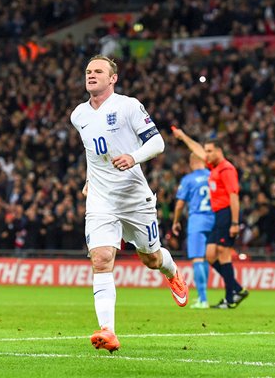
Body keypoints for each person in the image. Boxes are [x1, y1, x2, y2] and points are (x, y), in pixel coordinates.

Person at [71, 55, 188, 353]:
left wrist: (133, 157)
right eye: (88, 71)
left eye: (98, 71)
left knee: (150, 259)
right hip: (101, 199)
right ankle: (108, 330)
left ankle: (172, 272)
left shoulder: (128, 106)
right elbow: (92, 154)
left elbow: (157, 142)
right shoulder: (79, 115)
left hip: (134, 197)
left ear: (113, 78)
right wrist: (88, 179)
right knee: (100, 259)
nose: (91, 75)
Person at [172, 128, 249, 309]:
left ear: (219, 151)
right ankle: (237, 289)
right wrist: (183, 137)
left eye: (209, 151)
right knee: (210, 255)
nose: (205, 154)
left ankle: (230, 298)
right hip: (216, 215)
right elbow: (197, 149)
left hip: (226, 214)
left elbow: (234, 196)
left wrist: (235, 223)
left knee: (222, 254)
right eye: (205, 151)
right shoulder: (214, 168)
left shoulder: (226, 169)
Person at [172, 153, 214, 309]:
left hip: (197, 220)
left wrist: (176, 221)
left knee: (197, 259)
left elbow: (180, 204)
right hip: (213, 220)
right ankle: (204, 296)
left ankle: (203, 299)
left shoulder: (188, 179)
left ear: (191, 162)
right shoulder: (212, 176)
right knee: (206, 258)